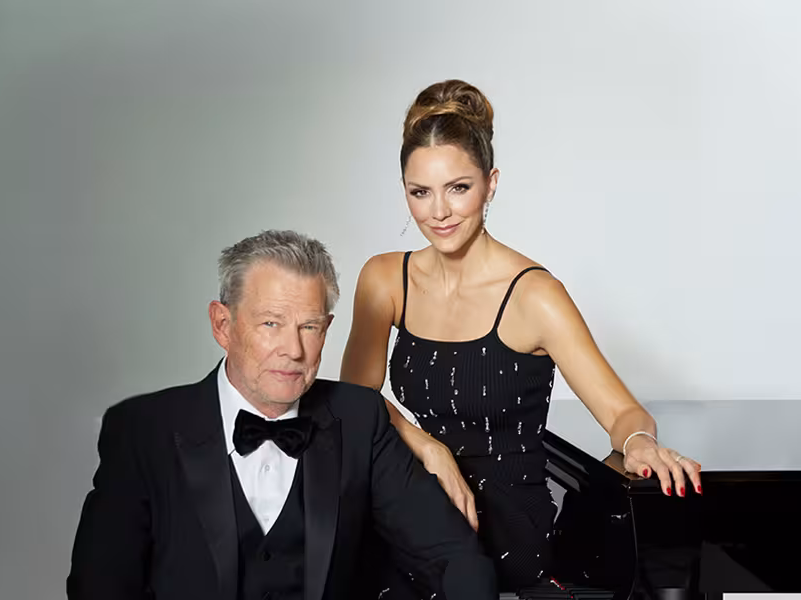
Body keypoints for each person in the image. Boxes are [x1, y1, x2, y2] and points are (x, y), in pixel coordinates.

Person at [340, 79, 702, 595]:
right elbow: (355, 402)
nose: (438, 212)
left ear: (491, 183)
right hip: (414, 494)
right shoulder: (383, 280)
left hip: (503, 523)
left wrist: (640, 441)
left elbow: (622, 412)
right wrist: (429, 449)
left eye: (458, 188)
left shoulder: (535, 295)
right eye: (420, 192)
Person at [67, 229, 498, 600]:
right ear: (222, 325)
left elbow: (452, 557)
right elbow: (100, 588)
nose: (294, 350)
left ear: (326, 328)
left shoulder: (360, 418)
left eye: (309, 327)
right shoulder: (143, 430)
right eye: (271, 323)